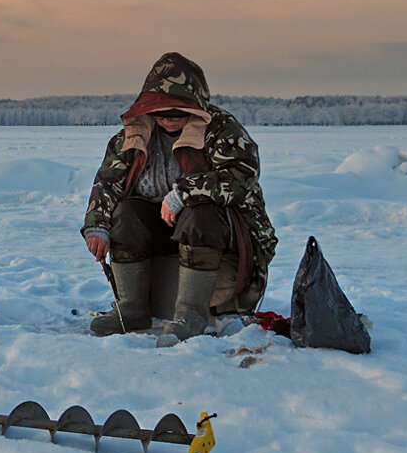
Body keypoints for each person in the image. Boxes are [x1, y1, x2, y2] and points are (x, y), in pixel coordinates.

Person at [81, 52, 277, 344]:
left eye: (177, 112)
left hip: (220, 235)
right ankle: (132, 309)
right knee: (126, 214)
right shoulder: (133, 136)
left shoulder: (222, 129)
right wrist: (97, 226)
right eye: (160, 111)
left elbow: (242, 177)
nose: (168, 119)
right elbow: (108, 182)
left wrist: (185, 193)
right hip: (159, 231)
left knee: (200, 216)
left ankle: (190, 315)